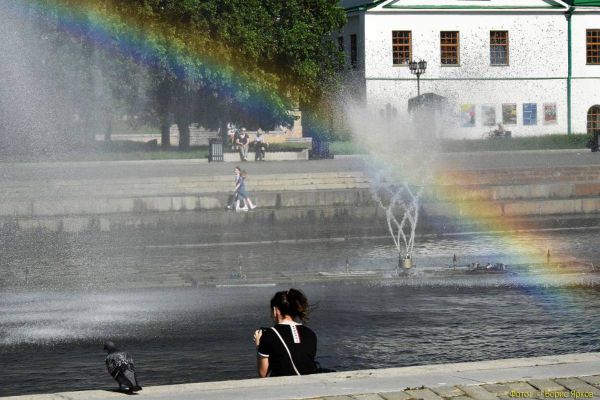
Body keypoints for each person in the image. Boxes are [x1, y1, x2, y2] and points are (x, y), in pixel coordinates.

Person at [253, 289, 317, 377]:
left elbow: (263, 375)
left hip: (282, 387)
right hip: (308, 385)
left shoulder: (268, 335)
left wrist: (259, 346)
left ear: (276, 310)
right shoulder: (310, 334)